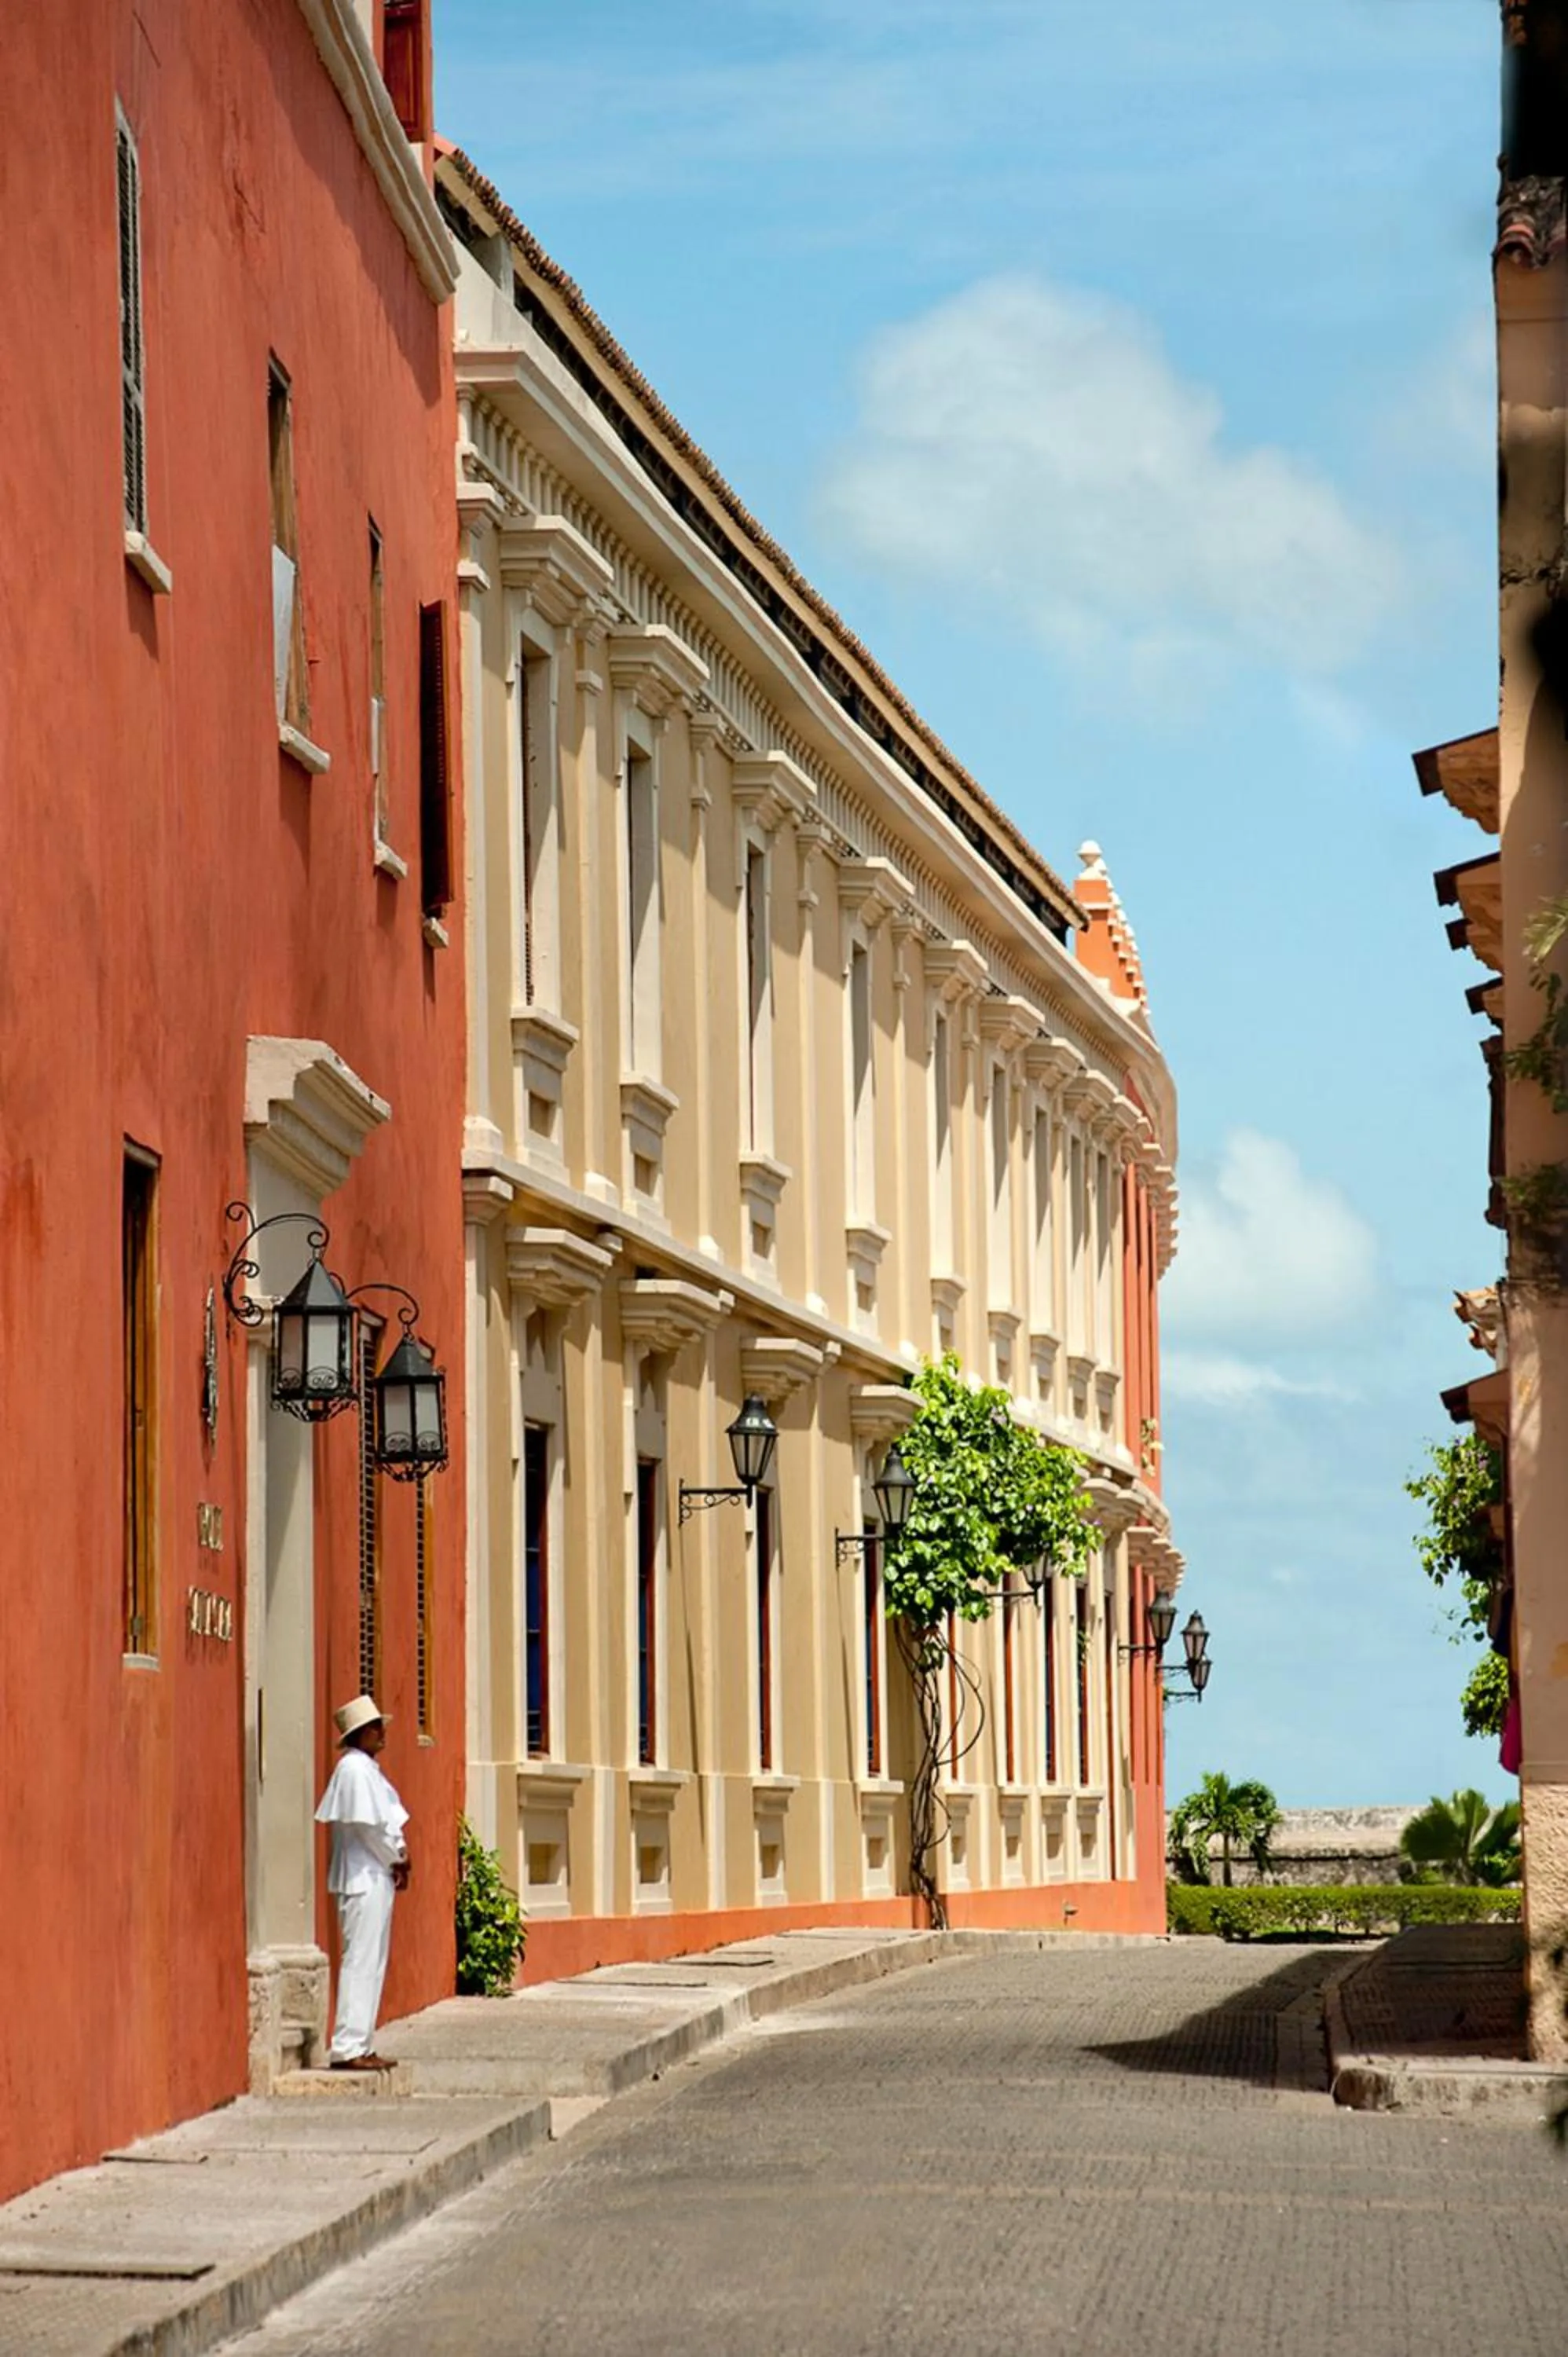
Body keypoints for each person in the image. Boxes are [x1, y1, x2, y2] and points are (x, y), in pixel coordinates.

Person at [315, 1695, 410, 2072]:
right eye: (374, 1728)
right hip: (362, 1877)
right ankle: (348, 2045)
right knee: (360, 1960)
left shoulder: (368, 1769)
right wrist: (397, 1857)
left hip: (375, 1875)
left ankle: (362, 2040)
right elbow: (369, 1828)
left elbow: (387, 1821)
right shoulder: (353, 1770)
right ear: (360, 1734)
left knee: (373, 1961)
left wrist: (398, 1855)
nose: (381, 1733)